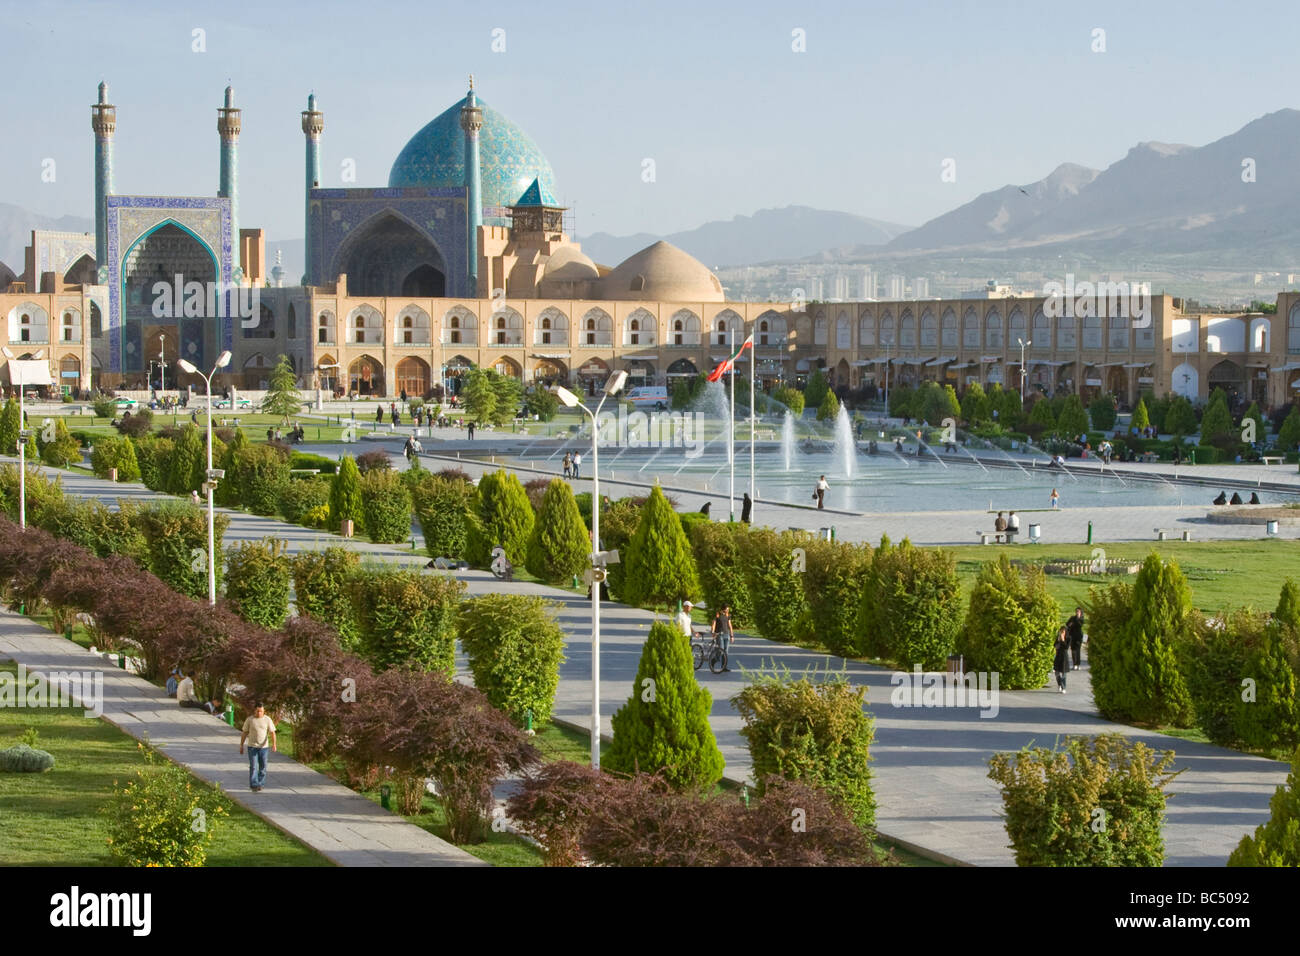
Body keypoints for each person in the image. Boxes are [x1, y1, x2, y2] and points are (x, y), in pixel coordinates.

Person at [239, 701, 278, 792]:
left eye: (261, 711)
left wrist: (274, 744)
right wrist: (241, 745)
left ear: (264, 711)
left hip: (264, 748)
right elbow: (244, 733)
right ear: (254, 711)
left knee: (263, 766)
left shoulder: (267, 720)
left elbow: (272, 732)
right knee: (253, 766)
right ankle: (254, 784)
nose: (259, 713)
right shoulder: (250, 720)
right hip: (252, 747)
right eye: (257, 711)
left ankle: (260, 783)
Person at [711, 603, 734, 671]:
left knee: (726, 651)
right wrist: (713, 631)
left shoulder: (728, 615)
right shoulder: (718, 614)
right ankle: (713, 661)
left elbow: (730, 625)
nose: (728, 610)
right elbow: (714, 623)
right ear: (724, 609)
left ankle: (724, 667)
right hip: (719, 634)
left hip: (726, 635)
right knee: (721, 650)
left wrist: (732, 635)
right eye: (727, 609)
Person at [1053, 627, 1070, 693]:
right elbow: (1055, 646)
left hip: (1064, 657)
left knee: (1063, 673)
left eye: (1063, 632)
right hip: (1058, 656)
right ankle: (1059, 684)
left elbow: (1066, 647)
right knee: (1057, 673)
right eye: (1061, 632)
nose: (1062, 633)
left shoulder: (1068, 638)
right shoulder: (1058, 638)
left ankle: (1063, 687)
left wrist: (1063, 640)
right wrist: (1058, 641)